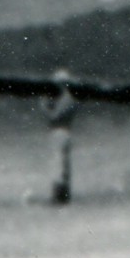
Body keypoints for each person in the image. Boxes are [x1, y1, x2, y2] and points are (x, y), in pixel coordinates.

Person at [45, 76, 77, 205]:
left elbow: (53, 116)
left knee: (58, 163)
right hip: (63, 132)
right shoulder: (69, 98)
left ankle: (60, 195)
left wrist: (44, 104)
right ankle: (62, 194)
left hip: (61, 132)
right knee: (62, 163)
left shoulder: (67, 99)